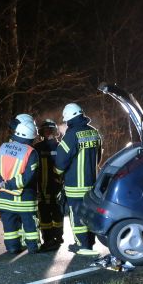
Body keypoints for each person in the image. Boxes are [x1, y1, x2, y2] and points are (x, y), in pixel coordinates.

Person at [0, 114, 41, 254]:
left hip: (3, 198)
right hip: (24, 199)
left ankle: (12, 247)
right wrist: (10, 184)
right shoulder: (31, 152)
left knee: (9, 226)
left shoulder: (2, 147)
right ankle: (33, 247)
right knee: (30, 225)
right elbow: (28, 177)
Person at [54, 102, 102, 255]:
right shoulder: (94, 132)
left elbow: (61, 161)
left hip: (75, 185)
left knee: (77, 215)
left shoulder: (71, 135)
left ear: (68, 118)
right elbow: (98, 157)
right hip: (92, 185)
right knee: (89, 214)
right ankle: (90, 242)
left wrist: (57, 173)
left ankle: (82, 245)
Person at [34, 119, 64, 249]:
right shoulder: (37, 148)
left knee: (58, 212)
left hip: (57, 186)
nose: (48, 133)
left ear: (55, 131)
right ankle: (48, 238)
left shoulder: (61, 146)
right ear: (41, 132)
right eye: (45, 130)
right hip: (41, 187)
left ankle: (58, 236)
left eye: (50, 130)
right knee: (44, 213)